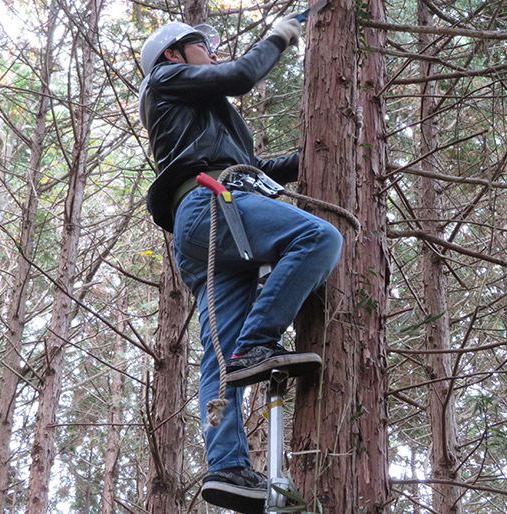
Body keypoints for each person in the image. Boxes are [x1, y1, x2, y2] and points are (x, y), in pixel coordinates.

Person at [139, 15, 342, 513]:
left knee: (218, 349)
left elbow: (251, 164)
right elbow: (243, 75)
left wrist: (315, 153)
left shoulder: (204, 115)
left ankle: (227, 465)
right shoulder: (165, 80)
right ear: (173, 55)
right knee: (318, 238)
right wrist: (280, 35)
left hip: (207, 223)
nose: (210, 52)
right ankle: (258, 343)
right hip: (212, 207)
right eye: (201, 46)